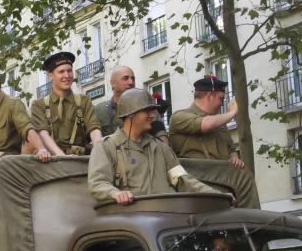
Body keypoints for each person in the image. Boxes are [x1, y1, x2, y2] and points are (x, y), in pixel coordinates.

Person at [88, 88, 220, 205]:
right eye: (147, 111)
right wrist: (115, 193)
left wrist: (217, 195)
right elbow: (98, 183)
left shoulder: (161, 148)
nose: (152, 115)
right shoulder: (107, 147)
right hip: (127, 220)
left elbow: (183, 180)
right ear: (131, 115)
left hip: (162, 219)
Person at [31, 51, 103, 156]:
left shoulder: (83, 101)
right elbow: (43, 135)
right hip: (52, 162)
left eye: (69, 71)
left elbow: (94, 129)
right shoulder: (39, 105)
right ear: (50, 75)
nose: (67, 75)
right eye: (61, 72)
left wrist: (100, 151)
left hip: (80, 159)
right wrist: (62, 157)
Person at [169, 75, 245, 168]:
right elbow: (206, 124)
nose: (222, 104)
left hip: (224, 177)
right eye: (221, 99)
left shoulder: (219, 123)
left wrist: (235, 157)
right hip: (197, 178)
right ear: (210, 96)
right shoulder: (179, 117)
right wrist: (233, 112)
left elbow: (231, 149)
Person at [94, 66, 170, 143]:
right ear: (113, 83)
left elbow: (162, 140)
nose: (131, 82)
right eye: (125, 78)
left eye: (133, 79)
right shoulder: (99, 110)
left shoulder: (148, 108)